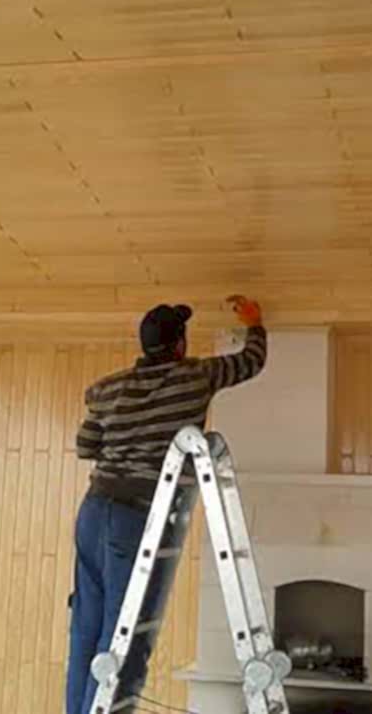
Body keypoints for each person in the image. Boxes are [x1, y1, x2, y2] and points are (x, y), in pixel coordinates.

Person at [66, 295, 267, 714]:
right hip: (134, 518)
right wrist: (255, 323)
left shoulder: (108, 389)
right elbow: (251, 362)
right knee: (120, 639)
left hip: (94, 510)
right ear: (180, 344)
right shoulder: (195, 377)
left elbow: (86, 446)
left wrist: (124, 440)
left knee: (86, 627)